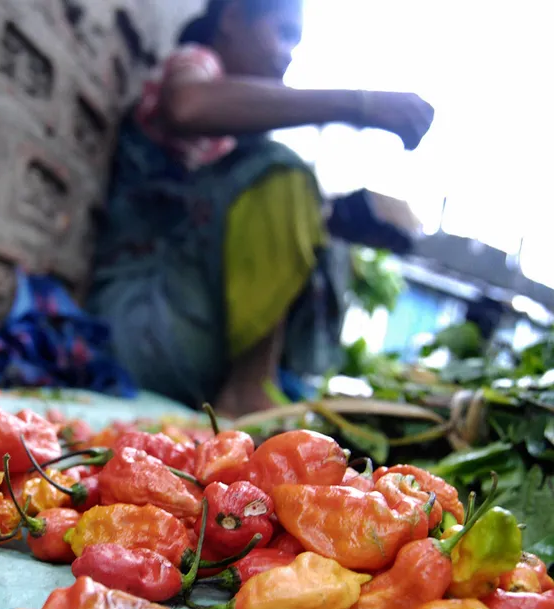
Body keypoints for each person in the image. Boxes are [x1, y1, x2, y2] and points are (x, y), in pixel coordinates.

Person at [87, 0, 434, 416]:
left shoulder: (231, 145)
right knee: (282, 171)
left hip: (188, 336)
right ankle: (249, 389)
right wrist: (357, 104)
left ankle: (257, 383)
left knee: (309, 210)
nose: (288, 53)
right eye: (284, 33)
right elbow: (187, 106)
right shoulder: (196, 64)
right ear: (232, 18)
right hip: (141, 329)